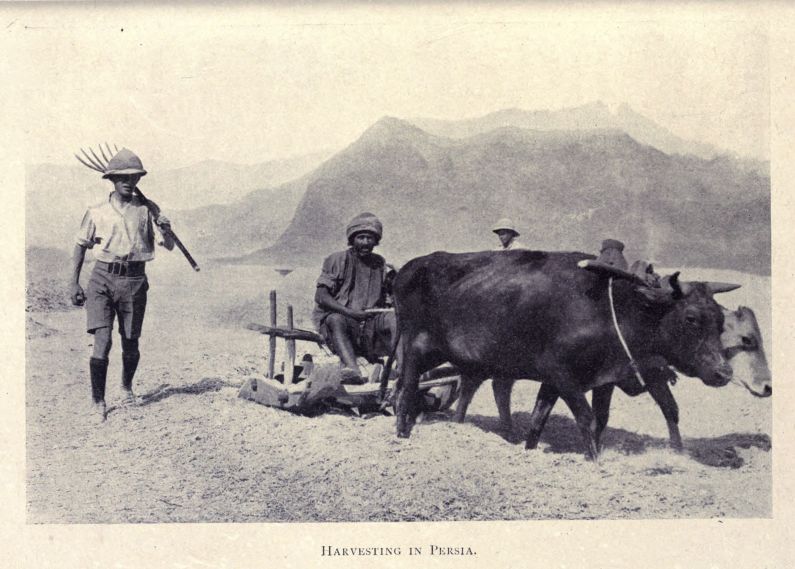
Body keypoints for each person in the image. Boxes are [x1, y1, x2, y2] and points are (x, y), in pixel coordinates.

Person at [70, 148, 175, 421]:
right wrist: (74, 284)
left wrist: (165, 228)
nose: (129, 182)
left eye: (134, 177)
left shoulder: (147, 210)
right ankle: (98, 402)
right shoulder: (96, 212)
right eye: (123, 177)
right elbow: (80, 247)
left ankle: (126, 388)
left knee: (130, 341)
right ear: (112, 180)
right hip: (102, 278)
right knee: (102, 341)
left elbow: (170, 246)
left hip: (135, 280)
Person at [311, 212, 396, 385]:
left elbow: (385, 297)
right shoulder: (337, 260)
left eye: (370, 238)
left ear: (376, 240)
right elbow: (321, 296)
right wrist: (350, 312)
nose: (365, 242)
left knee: (395, 319)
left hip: (370, 322)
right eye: (361, 237)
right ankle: (353, 370)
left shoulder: (380, 263)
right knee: (335, 319)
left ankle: (404, 369)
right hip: (343, 321)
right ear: (352, 239)